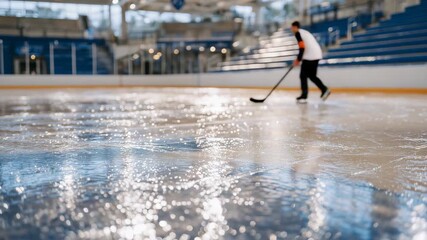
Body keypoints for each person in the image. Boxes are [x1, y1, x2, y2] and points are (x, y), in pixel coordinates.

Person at [291, 21, 331, 103]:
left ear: (295, 27)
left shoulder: (298, 33)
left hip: (310, 56)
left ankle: (304, 95)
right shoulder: (305, 32)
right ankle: (324, 89)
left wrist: (298, 59)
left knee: (303, 75)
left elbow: (302, 47)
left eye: (292, 27)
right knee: (312, 75)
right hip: (317, 54)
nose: (291, 29)